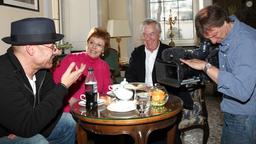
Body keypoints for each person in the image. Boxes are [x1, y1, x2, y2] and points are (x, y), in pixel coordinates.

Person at [0, 17, 85, 144]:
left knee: (68, 122)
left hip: (26, 125)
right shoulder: (3, 74)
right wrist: (63, 86)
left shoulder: (42, 72)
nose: (57, 51)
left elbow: (49, 108)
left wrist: (28, 127)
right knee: (37, 141)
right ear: (31, 49)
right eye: (52, 47)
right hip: (4, 134)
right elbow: (27, 126)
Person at [180, 5, 256, 144]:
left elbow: (242, 91)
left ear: (225, 21)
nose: (214, 42)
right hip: (231, 111)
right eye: (209, 38)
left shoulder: (247, 42)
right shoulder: (228, 35)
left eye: (215, 35)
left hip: (244, 117)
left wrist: (206, 66)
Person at [125, 18, 193, 109]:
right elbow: (129, 76)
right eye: (145, 34)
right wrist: (142, 89)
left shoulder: (169, 52)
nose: (148, 38)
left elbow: (175, 80)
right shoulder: (137, 53)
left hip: (166, 97)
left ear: (159, 34)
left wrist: (155, 91)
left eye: (152, 34)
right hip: (142, 97)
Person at [53, 27, 112, 113]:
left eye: (99, 45)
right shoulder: (71, 59)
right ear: (87, 43)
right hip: (69, 110)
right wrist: (69, 99)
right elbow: (55, 83)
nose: (94, 47)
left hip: (94, 110)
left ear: (103, 50)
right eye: (91, 42)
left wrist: (103, 99)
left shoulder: (104, 66)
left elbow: (107, 91)